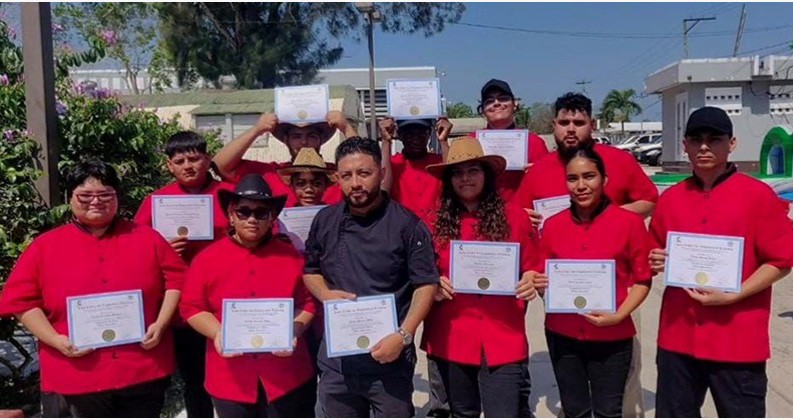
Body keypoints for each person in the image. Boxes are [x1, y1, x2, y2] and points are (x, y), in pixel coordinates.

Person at [0, 161, 186, 417]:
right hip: (76, 371)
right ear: (70, 198)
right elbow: (21, 301)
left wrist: (161, 323)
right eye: (85, 195)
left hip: (141, 367)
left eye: (105, 194)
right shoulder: (45, 246)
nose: (96, 201)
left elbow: (178, 281)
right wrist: (55, 340)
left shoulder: (147, 238)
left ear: (117, 197)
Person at [515, 92, 658, 417]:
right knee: (575, 399)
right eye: (564, 122)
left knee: (622, 389)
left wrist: (609, 221)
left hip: (617, 292)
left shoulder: (618, 160)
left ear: (591, 124)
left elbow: (650, 200)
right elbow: (522, 214)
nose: (570, 129)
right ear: (553, 125)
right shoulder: (538, 171)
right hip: (564, 302)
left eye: (578, 123)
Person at [648, 106, 793, 417]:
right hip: (679, 338)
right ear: (684, 145)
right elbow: (654, 250)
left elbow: (781, 260)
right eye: (696, 139)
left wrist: (735, 293)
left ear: (732, 144)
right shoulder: (671, 199)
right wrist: (656, 259)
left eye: (714, 139)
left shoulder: (758, 196)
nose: (704, 147)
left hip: (737, 339)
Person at [303, 137, 439, 417]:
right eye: (346, 175)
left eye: (364, 173)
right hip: (337, 361)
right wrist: (325, 294)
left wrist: (403, 335)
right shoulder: (324, 220)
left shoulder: (407, 225)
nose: (355, 183)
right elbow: (311, 271)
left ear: (382, 172)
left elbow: (426, 284)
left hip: (389, 359)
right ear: (337, 178)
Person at [179, 174, 317, 418]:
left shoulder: (291, 257)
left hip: (287, 376)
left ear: (272, 218)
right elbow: (191, 307)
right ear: (231, 214)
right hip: (231, 379)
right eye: (244, 212)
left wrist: (293, 331)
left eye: (261, 213)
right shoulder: (206, 260)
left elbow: (306, 304)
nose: (252, 219)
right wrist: (217, 333)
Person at [420, 137, 540, 417]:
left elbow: (533, 266)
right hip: (452, 335)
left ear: (486, 175)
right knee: (463, 413)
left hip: (503, 336)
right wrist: (434, 284)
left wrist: (531, 278)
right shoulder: (431, 223)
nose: (465, 178)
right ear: (449, 180)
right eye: (458, 173)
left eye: (473, 170)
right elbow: (420, 274)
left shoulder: (516, 219)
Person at [134, 131, 234, 418]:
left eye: (195, 158)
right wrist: (162, 251)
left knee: (234, 372)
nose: (188, 166)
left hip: (226, 300)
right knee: (195, 379)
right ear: (169, 165)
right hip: (181, 307)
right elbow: (137, 250)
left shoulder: (229, 195)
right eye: (180, 161)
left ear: (207, 159)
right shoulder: (156, 201)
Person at [213, 111, 357, 206]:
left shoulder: (337, 174)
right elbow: (221, 165)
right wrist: (256, 130)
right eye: (296, 136)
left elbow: (364, 164)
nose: (303, 142)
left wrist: (347, 128)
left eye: (311, 136)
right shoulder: (271, 173)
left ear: (321, 140)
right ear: (286, 140)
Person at [475, 79, 551, 203]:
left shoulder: (534, 142)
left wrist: (536, 175)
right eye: (489, 101)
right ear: (482, 110)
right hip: (482, 215)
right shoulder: (472, 141)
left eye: (503, 98)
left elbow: (547, 186)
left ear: (515, 104)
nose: (496, 103)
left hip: (523, 215)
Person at [379, 117, 453, 224]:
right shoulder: (393, 164)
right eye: (409, 134)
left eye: (422, 133)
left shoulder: (438, 162)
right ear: (400, 135)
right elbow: (382, 188)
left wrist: (444, 141)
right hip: (403, 231)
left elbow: (452, 179)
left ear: (429, 134)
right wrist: (386, 141)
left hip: (435, 232)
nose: (416, 139)